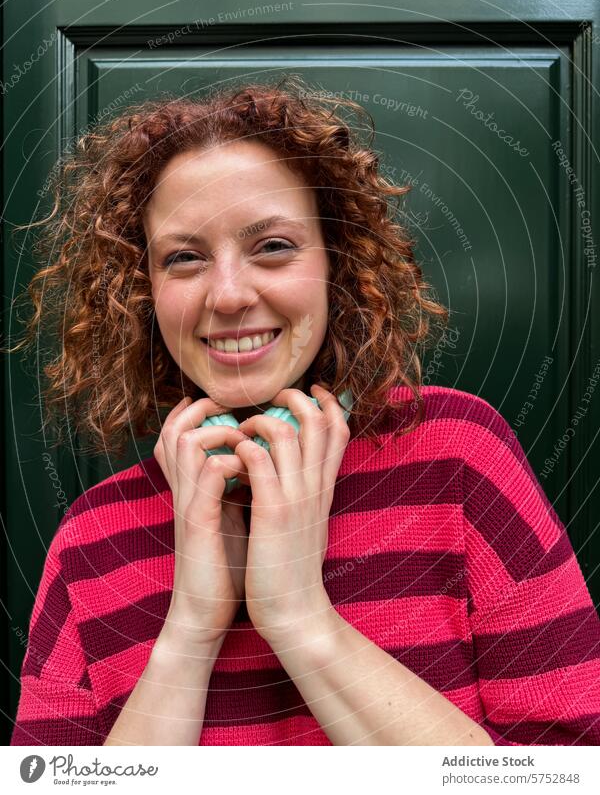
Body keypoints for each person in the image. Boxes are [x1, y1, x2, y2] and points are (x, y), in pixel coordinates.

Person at [6, 75, 600, 746]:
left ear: (334, 263)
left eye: (273, 246)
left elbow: (567, 774)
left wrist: (298, 615)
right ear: (144, 290)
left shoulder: (460, 454)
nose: (228, 294)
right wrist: (192, 628)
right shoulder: (90, 541)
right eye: (184, 257)